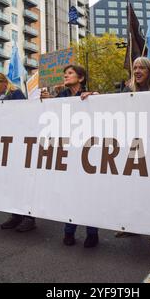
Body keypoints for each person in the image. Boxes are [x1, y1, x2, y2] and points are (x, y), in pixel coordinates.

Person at [41, 64, 99, 248]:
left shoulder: (90, 95)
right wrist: (46, 101)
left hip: (86, 153)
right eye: (64, 74)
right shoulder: (61, 97)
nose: (66, 76)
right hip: (67, 152)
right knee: (71, 193)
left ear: (81, 78)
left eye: (70, 73)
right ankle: (69, 231)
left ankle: (92, 233)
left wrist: (96, 98)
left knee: (89, 195)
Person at [115, 57, 150, 244]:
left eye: (141, 68)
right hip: (132, 144)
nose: (137, 71)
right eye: (135, 68)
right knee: (132, 188)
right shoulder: (127, 89)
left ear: (149, 71)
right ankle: (131, 227)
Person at [0, 72, 36, 232]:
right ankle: (15, 215)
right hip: (6, 143)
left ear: (3, 83)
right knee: (11, 182)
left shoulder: (16, 94)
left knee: (23, 182)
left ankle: (29, 217)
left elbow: (25, 116)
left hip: (18, 143)